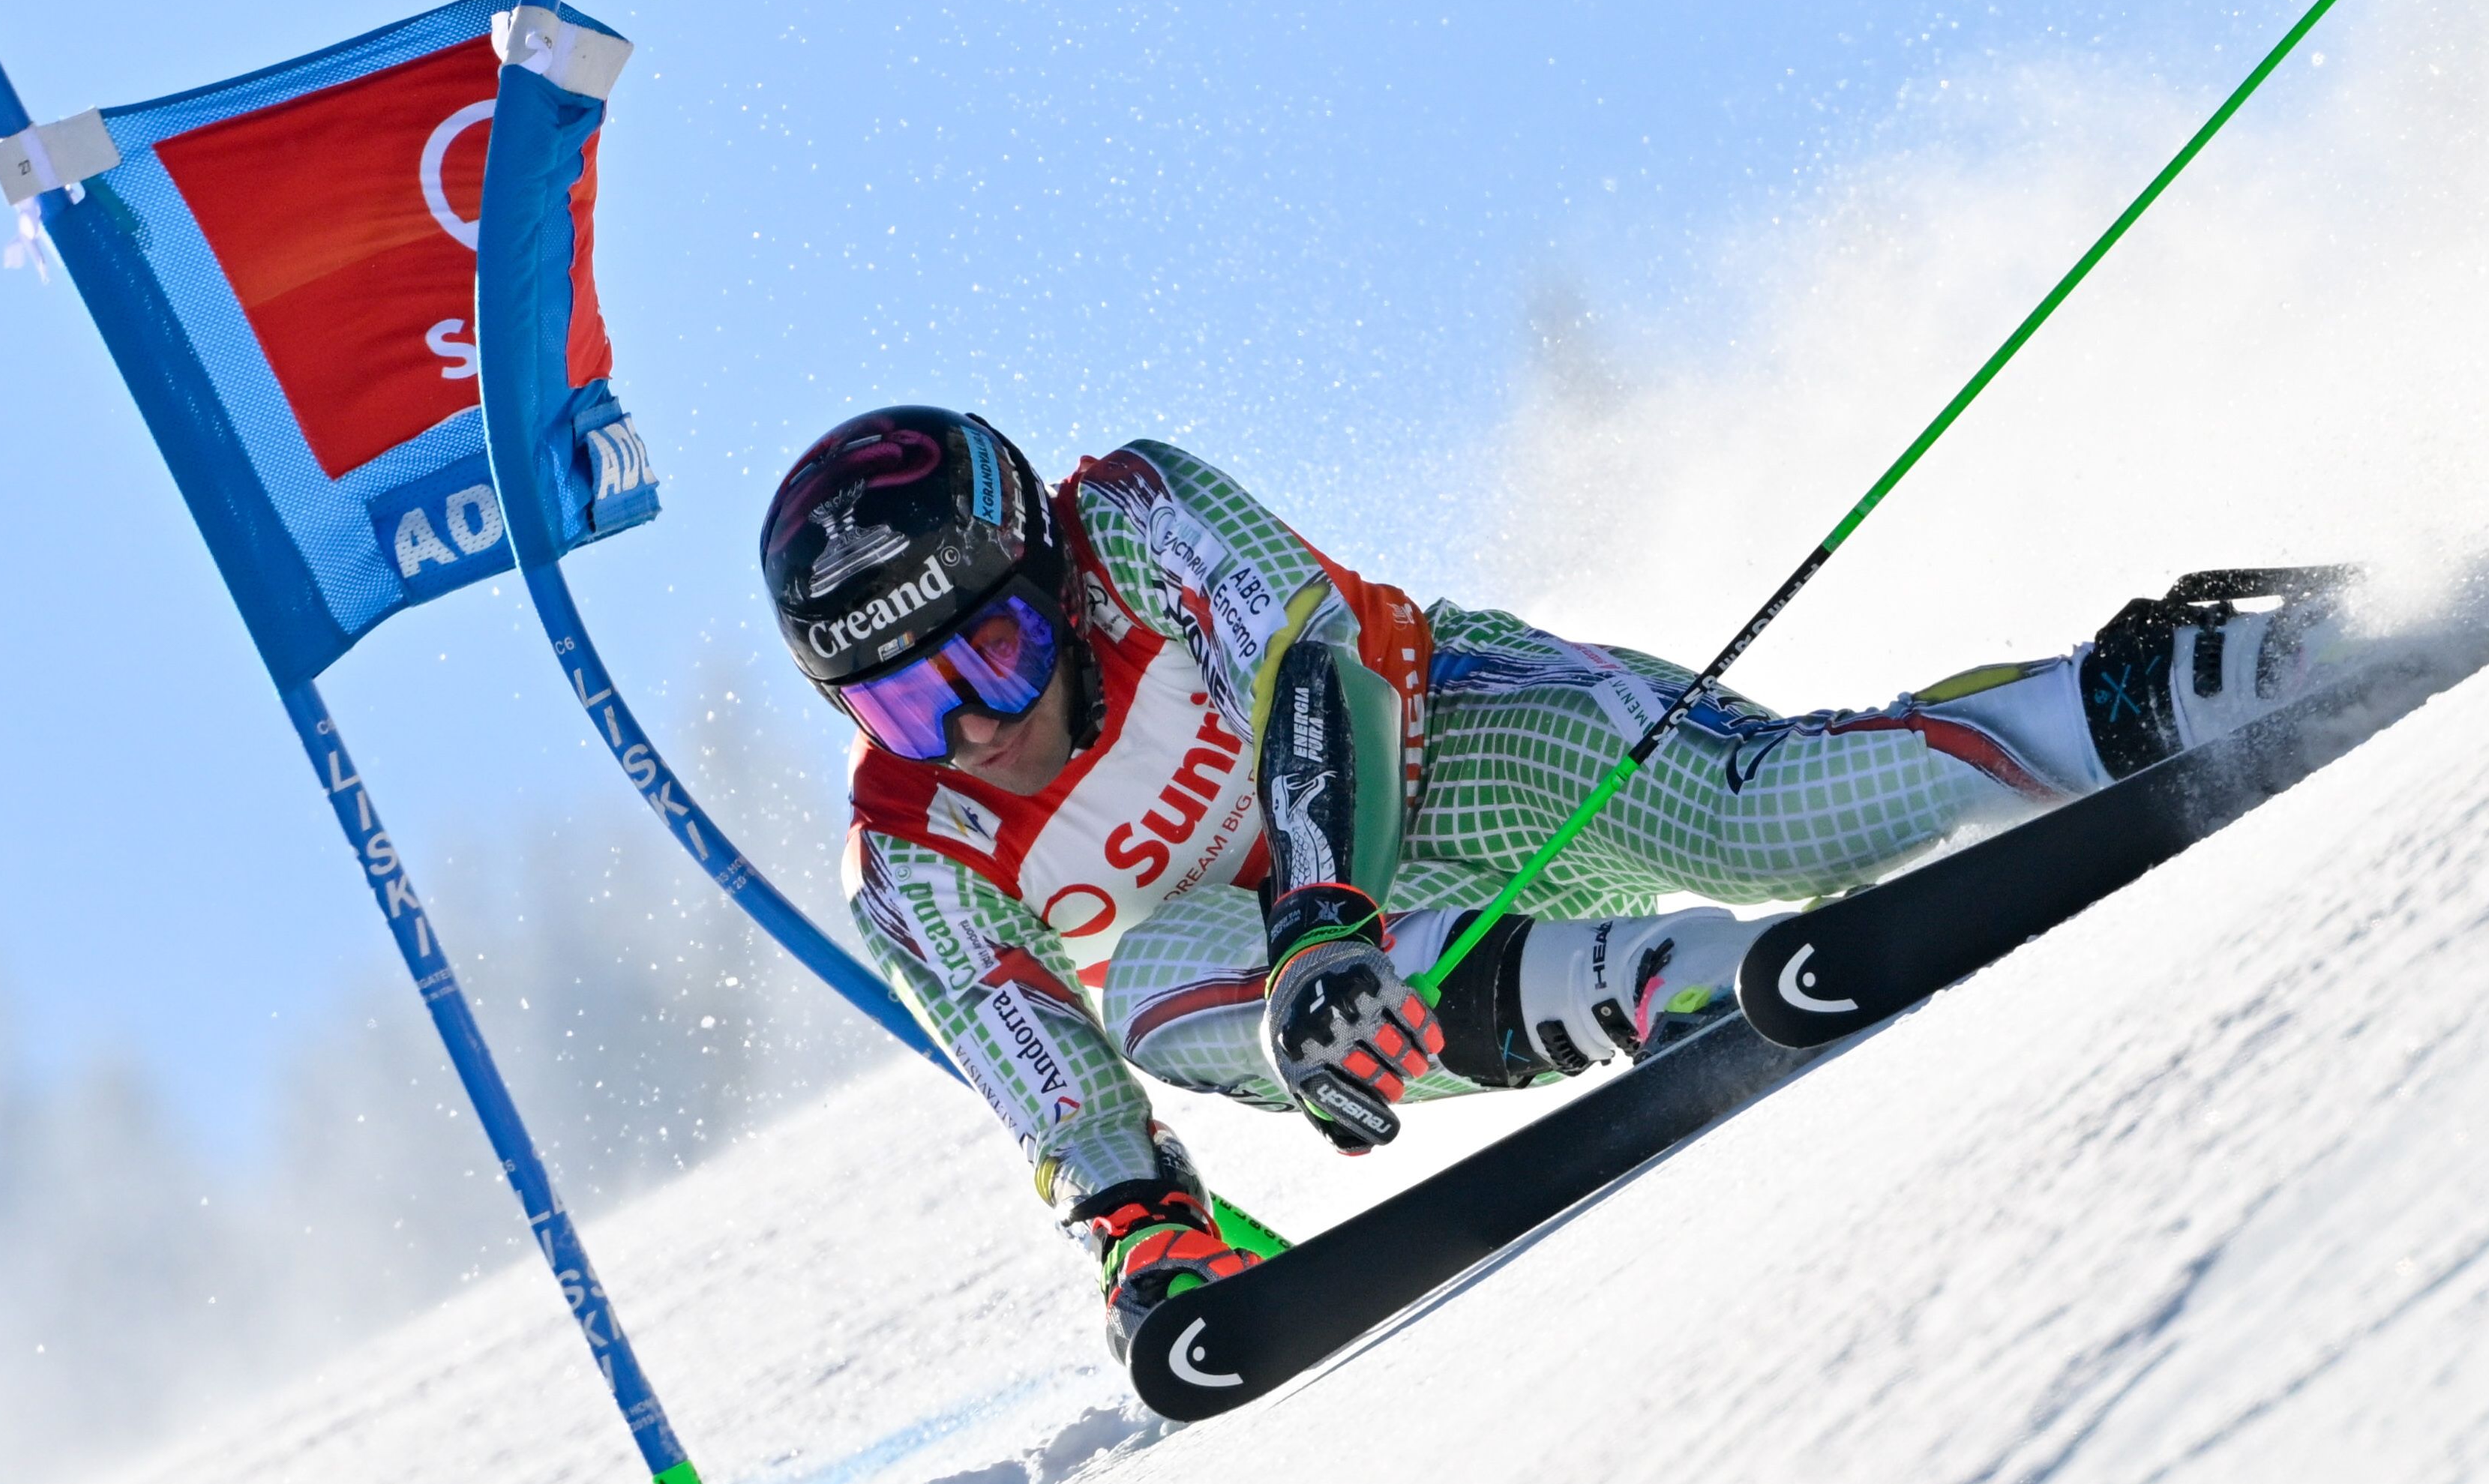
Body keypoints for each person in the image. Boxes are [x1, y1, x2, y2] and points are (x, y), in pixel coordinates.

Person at [760, 406, 2350, 1357]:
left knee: (1773, 816)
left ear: (1046, 574)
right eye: (906, 700)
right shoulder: (912, 854)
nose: (983, 722)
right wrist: (1142, 1229)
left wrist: (1321, 904)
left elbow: (1317, 663)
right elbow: (1042, 1069)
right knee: (1159, 991)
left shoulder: (1135, 515)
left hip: (1458, 741)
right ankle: (1657, 987)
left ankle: (2183, 684)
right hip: (1345, 964)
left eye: (995, 646)